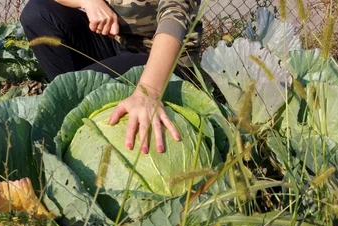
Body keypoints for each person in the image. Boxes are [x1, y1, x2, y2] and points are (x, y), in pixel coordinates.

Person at [20, 0, 202, 154]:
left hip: (166, 63)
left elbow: (173, 19)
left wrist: (149, 91)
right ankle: (73, 120)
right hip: (116, 45)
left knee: (82, 87)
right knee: (37, 13)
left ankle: (75, 115)